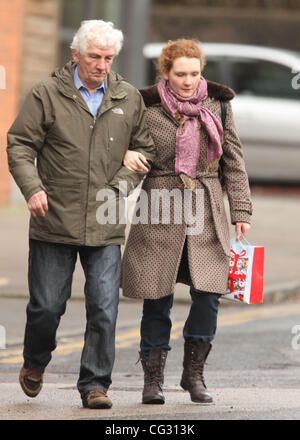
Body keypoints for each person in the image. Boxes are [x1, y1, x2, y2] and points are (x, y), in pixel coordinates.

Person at [6, 19, 155, 409]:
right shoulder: (47, 93)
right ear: (75, 54)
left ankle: (95, 385)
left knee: (104, 308)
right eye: (94, 56)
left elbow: (146, 150)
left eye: (108, 58)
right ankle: (35, 361)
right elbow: (19, 143)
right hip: (53, 218)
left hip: (105, 219)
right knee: (46, 308)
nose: (102, 65)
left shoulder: (127, 97)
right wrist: (33, 188)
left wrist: (119, 186)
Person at [121, 39, 252, 405]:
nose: (189, 81)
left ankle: (193, 374)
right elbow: (126, 148)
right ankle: (153, 380)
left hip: (207, 207)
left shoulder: (220, 106)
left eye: (195, 73)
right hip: (159, 205)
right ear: (165, 72)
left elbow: (234, 162)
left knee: (209, 294)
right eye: (180, 74)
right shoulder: (145, 106)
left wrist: (241, 211)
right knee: (157, 295)